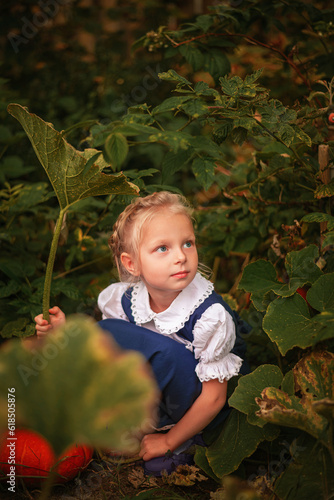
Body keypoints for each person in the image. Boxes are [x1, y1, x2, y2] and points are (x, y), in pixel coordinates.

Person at [35, 191, 249, 476]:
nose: (181, 257)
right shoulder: (126, 300)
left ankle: (186, 437)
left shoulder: (210, 316)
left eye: (188, 243)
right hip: (158, 394)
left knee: (134, 342)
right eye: (163, 248)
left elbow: (214, 398)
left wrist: (170, 441)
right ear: (132, 264)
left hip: (199, 403)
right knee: (110, 333)